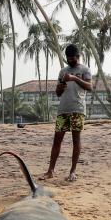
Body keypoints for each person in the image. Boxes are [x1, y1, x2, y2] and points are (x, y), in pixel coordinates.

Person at [44, 44, 94, 182]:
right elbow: (58, 93)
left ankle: (72, 171)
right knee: (57, 140)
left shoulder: (85, 69)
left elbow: (89, 87)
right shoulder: (63, 72)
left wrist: (75, 78)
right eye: (68, 58)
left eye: (73, 58)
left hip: (77, 109)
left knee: (76, 140)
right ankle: (51, 170)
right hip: (63, 110)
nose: (70, 60)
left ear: (78, 57)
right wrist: (60, 87)